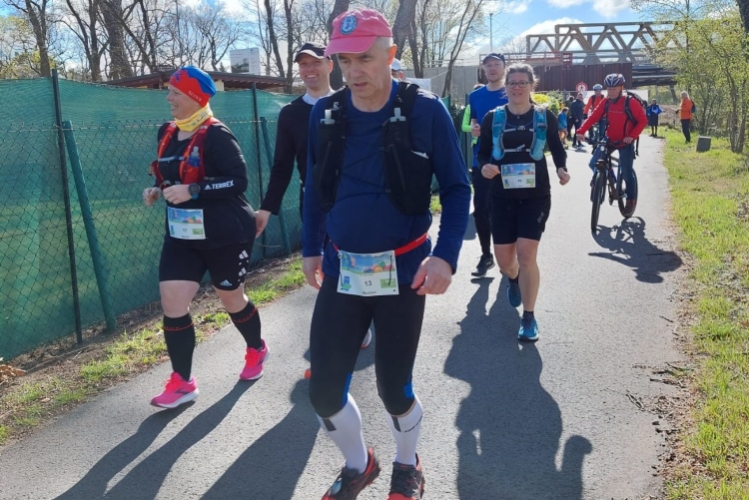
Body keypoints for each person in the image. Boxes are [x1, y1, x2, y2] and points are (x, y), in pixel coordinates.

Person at [303, 8, 471, 500]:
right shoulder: (325, 113)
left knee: (394, 389)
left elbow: (457, 188)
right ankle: (361, 464)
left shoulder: (425, 110)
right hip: (343, 270)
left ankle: (407, 462)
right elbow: (314, 186)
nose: (354, 72)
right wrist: (311, 247)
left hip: (404, 271)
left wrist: (445, 256)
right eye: (344, 60)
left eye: (365, 59)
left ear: (391, 55)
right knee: (323, 391)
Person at [143, 66, 268, 409]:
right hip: (182, 235)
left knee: (231, 299)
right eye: (169, 91)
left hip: (225, 233)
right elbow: (169, 173)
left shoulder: (217, 135)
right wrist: (158, 188)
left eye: (174, 93)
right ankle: (183, 382)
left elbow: (238, 181)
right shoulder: (167, 132)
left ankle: (256, 348)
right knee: (172, 300)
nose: (168, 98)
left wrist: (194, 190)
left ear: (194, 97)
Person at [253, 43, 372, 364]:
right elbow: (282, 166)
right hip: (316, 202)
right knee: (328, 265)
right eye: (303, 65)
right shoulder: (291, 114)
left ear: (329, 66)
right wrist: (266, 208)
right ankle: (348, 320)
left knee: (353, 260)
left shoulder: (351, 102)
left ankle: (360, 317)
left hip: (354, 200)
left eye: (315, 63)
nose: (309, 70)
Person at [477, 63, 570, 342]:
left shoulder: (543, 116)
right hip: (501, 196)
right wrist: (484, 167)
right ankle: (513, 278)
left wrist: (561, 168)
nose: (517, 87)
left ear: (532, 85)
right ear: (505, 87)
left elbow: (557, 146)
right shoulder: (493, 118)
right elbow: (482, 153)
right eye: (512, 83)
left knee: (527, 255)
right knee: (506, 261)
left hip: (535, 196)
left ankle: (528, 317)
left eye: (522, 82)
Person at [576, 73, 646, 217]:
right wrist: (581, 131)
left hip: (625, 141)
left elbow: (643, 121)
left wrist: (631, 136)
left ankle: (630, 199)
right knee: (593, 163)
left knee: (626, 171)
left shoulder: (630, 102)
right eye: (609, 89)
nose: (611, 91)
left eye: (615, 89)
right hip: (609, 139)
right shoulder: (606, 102)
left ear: (621, 88)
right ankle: (602, 178)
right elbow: (594, 116)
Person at [468, 53, 509, 277]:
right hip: (482, 160)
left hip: (509, 161)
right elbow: (474, 121)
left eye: (496, 65)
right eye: (488, 65)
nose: (492, 69)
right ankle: (486, 255)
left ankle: (509, 257)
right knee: (481, 210)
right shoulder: (475, 96)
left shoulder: (512, 91)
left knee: (508, 210)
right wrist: (475, 128)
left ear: (504, 67)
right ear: (483, 69)